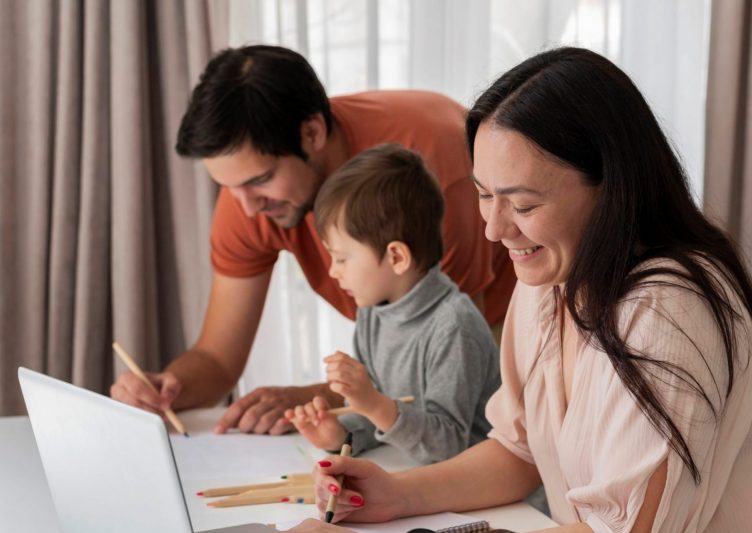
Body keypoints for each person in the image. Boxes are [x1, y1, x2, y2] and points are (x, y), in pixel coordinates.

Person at [222, 48, 752, 533]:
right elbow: (518, 450)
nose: (493, 229)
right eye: (484, 194)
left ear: (612, 188)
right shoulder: (550, 281)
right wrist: (398, 495)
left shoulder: (668, 310)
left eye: (524, 204)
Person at [109, 45, 516, 434]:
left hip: (499, 330)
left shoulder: (433, 175)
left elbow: (440, 377)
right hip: (399, 360)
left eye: (260, 181)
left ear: (312, 132)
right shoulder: (251, 198)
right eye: (229, 187)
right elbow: (217, 359)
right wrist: (167, 387)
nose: (247, 209)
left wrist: (314, 397)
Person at [284, 144, 500, 464]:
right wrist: (341, 434)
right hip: (417, 477)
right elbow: (380, 418)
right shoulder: (373, 314)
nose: (332, 271)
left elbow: (449, 446)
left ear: (397, 257)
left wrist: (372, 403)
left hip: (486, 492)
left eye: (342, 258)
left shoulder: (454, 326)